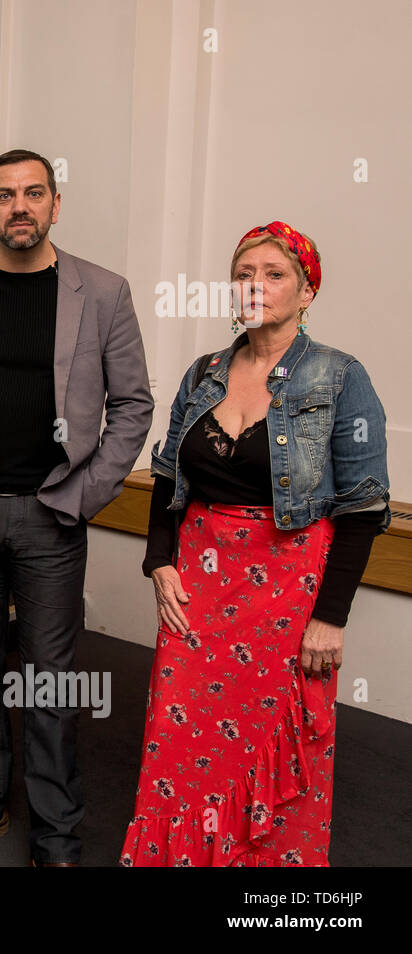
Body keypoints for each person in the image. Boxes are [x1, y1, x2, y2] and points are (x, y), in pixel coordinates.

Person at [122, 221, 389, 867]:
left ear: (306, 291)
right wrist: (159, 559)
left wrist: (329, 618)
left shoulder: (338, 376)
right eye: (245, 274)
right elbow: (166, 477)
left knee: (277, 738)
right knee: (179, 740)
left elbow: (362, 507)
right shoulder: (205, 372)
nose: (255, 286)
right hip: (197, 583)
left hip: (288, 592)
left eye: (274, 274)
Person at [0, 148, 154, 866]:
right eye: (3, 195)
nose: (18, 206)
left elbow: (134, 405)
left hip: (54, 515)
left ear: (56, 204)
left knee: (50, 679)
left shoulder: (104, 291)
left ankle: (56, 832)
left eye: (33, 193)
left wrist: (81, 498)